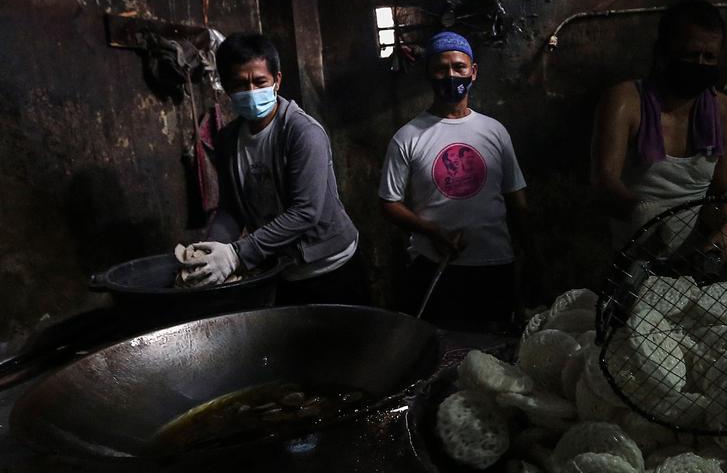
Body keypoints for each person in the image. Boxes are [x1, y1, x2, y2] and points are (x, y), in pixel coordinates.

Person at [186, 32, 367, 305]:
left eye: (259, 82)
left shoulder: (303, 133)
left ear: (276, 81)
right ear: (225, 86)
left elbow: (305, 211)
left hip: (331, 268)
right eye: (239, 84)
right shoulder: (227, 140)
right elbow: (231, 210)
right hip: (282, 270)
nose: (251, 92)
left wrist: (237, 254)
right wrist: (212, 252)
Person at [378, 31, 532, 326]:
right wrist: (431, 231)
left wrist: (531, 253)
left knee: (495, 352)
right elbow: (388, 203)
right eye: (440, 68)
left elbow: (515, 194)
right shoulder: (407, 137)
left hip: (494, 262)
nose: (451, 75)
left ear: (472, 72)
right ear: (429, 75)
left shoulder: (495, 131)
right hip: (435, 266)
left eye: (459, 67)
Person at [590, 0, 727, 256]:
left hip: (690, 266)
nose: (700, 64)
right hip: (629, 257)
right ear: (663, 53)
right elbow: (603, 185)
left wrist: (724, 228)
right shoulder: (626, 102)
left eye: (710, 57)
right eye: (690, 55)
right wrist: (643, 213)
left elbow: (720, 193)